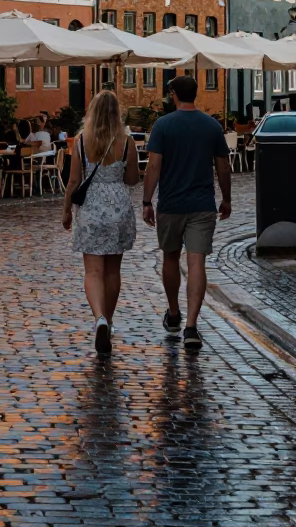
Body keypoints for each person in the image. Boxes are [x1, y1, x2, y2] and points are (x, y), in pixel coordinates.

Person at [142, 75, 231, 351]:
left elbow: (153, 167)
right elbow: (224, 166)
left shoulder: (163, 126)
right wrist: (226, 198)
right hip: (202, 205)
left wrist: (147, 200)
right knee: (197, 264)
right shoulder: (212, 126)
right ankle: (191, 326)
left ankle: (173, 313)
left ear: (173, 94)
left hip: (171, 204)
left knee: (170, 258)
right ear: (196, 94)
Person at [62, 90, 139, 355]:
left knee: (93, 271)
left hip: (91, 207)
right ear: (118, 113)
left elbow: (73, 181)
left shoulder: (81, 141)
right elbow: (132, 179)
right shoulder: (127, 142)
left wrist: (66, 211)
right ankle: (110, 317)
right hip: (118, 206)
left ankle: (99, 319)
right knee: (112, 271)